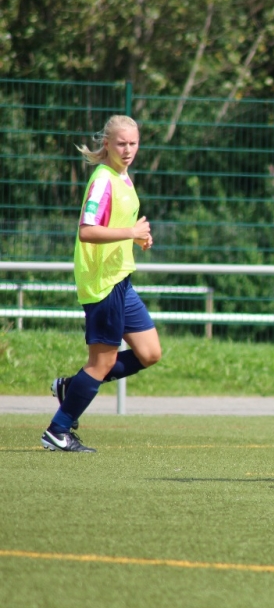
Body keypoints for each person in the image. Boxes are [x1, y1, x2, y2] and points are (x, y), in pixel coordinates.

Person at [44, 115, 160, 452]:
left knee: (150, 353)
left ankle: (72, 388)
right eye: (121, 143)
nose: (128, 150)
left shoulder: (124, 178)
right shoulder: (102, 180)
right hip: (102, 282)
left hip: (121, 278)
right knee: (102, 362)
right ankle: (58, 430)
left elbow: (117, 226)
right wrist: (131, 232)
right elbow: (87, 231)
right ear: (106, 144)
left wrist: (136, 238)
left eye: (133, 143)